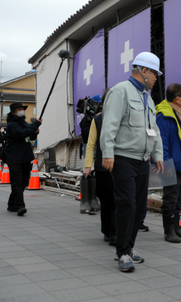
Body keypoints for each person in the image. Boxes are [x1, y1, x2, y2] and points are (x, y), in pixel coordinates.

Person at [100, 52, 164, 272]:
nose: (156, 78)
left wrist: (158, 155)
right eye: (155, 73)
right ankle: (122, 252)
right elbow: (109, 124)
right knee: (126, 203)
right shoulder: (121, 92)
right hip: (123, 158)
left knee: (138, 206)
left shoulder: (148, 98)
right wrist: (107, 153)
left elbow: (153, 130)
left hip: (141, 160)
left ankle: (129, 246)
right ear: (144, 71)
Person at [156, 83, 181, 243]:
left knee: (180, 197)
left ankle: (177, 227)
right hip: (171, 163)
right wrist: (165, 163)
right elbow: (162, 141)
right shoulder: (164, 115)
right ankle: (169, 230)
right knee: (170, 198)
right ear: (177, 98)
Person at [83, 92, 115, 245]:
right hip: (103, 167)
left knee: (117, 200)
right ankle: (107, 231)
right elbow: (91, 144)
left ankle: (114, 231)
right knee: (107, 201)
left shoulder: (122, 116)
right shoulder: (98, 119)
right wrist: (88, 166)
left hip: (120, 166)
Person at [5, 102, 42, 216]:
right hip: (14, 157)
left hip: (25, 156)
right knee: (17, 181)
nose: (22, 111)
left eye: (22, 109)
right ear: (13, 112)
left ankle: (12, 204)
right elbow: (20, 134)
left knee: (24, 181)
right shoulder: (12, 125)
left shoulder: (24, 123)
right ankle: (20, 206)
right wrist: (35, 125)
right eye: (19, 109)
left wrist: (34, 132)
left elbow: (28, 136)